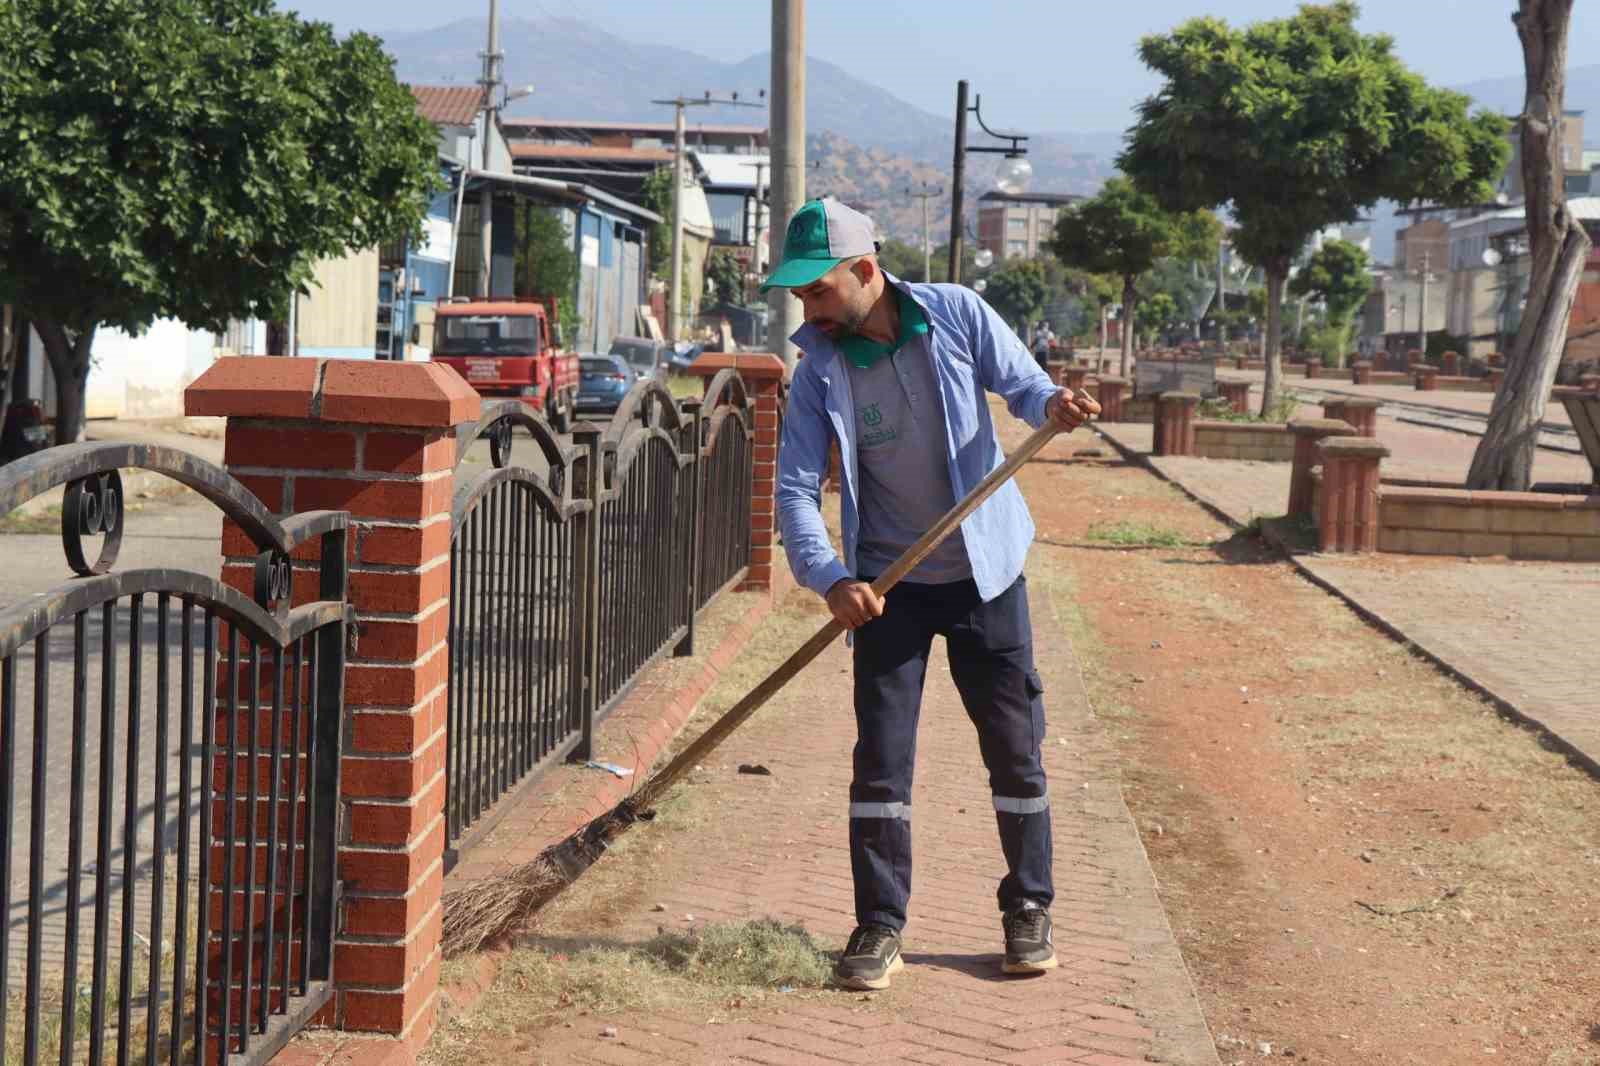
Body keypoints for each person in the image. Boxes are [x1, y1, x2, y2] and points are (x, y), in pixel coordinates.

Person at [764, 198, 1097, 990]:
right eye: (801, 295)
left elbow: (1023, 384)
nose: (808, 309)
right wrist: (831, 578)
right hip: (889, 586)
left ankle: (1029, 908)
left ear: (865, 270)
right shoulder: (819, 374)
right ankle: (879, 925)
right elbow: (794, 490)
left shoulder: (957, 315)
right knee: (881, 761)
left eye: (818, 291)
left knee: (1014, 750)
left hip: (986, 574)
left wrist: (1052, 404)